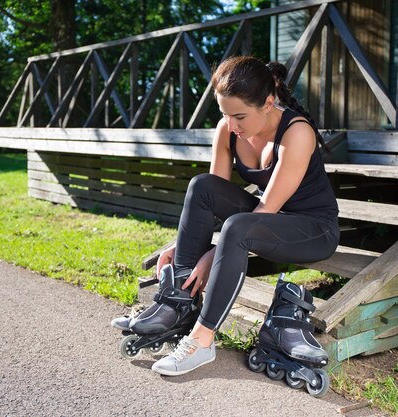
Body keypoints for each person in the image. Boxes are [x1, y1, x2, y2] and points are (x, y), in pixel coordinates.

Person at [115, 55, 339, 376]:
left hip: (313, 230)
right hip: (264, 223)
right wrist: (186, 245)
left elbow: (264, 211)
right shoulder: (228, 128)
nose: (231, 125)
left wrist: (212, 253)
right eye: (224, 114)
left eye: (240, 116)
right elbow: (213, 199)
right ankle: (177, 304)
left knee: (238, 228)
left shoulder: (297, 132)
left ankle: (202, 341)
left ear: (268, 103)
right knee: (202, 186)